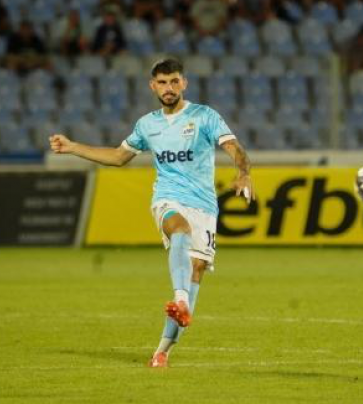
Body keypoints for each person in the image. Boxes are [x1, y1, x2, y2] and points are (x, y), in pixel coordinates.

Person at [49, 57, 254, 367]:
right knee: (179, 229)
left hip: (204, 205)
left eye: (174, 81)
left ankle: (162, 352)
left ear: (184, 83)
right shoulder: (147, 125)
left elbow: (234, 148)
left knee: (197, 269)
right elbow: (118, 157)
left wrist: (244, 173)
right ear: (152, 86)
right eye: (162, 82)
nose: (168, 88)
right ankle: (180, 300)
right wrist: (72, 147)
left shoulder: (204, 116)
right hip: (168, 198)